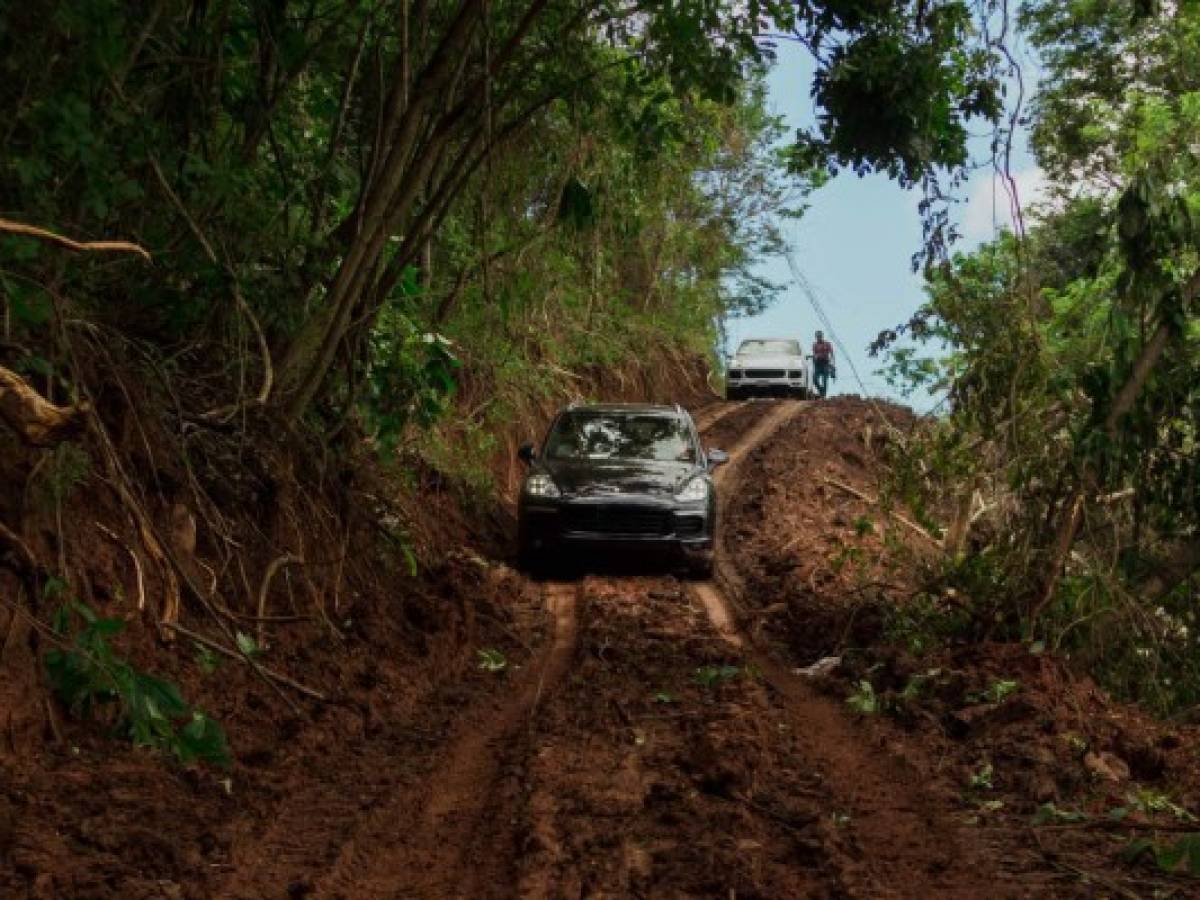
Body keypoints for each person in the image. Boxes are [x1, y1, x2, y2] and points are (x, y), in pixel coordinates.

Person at [811, 331, 835, 398]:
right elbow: (814, 354)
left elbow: (832, 354)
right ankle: (821, 390)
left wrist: (832, 365)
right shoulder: (815, 345)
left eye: (820, 336)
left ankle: (823, 395)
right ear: (816, 337)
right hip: (817, 364)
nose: (818, 337)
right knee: (815, 379)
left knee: (824, 380)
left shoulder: (827, 344)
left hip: (825, 364)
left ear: (822, 336)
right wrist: (815, 358)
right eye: (817, 336)